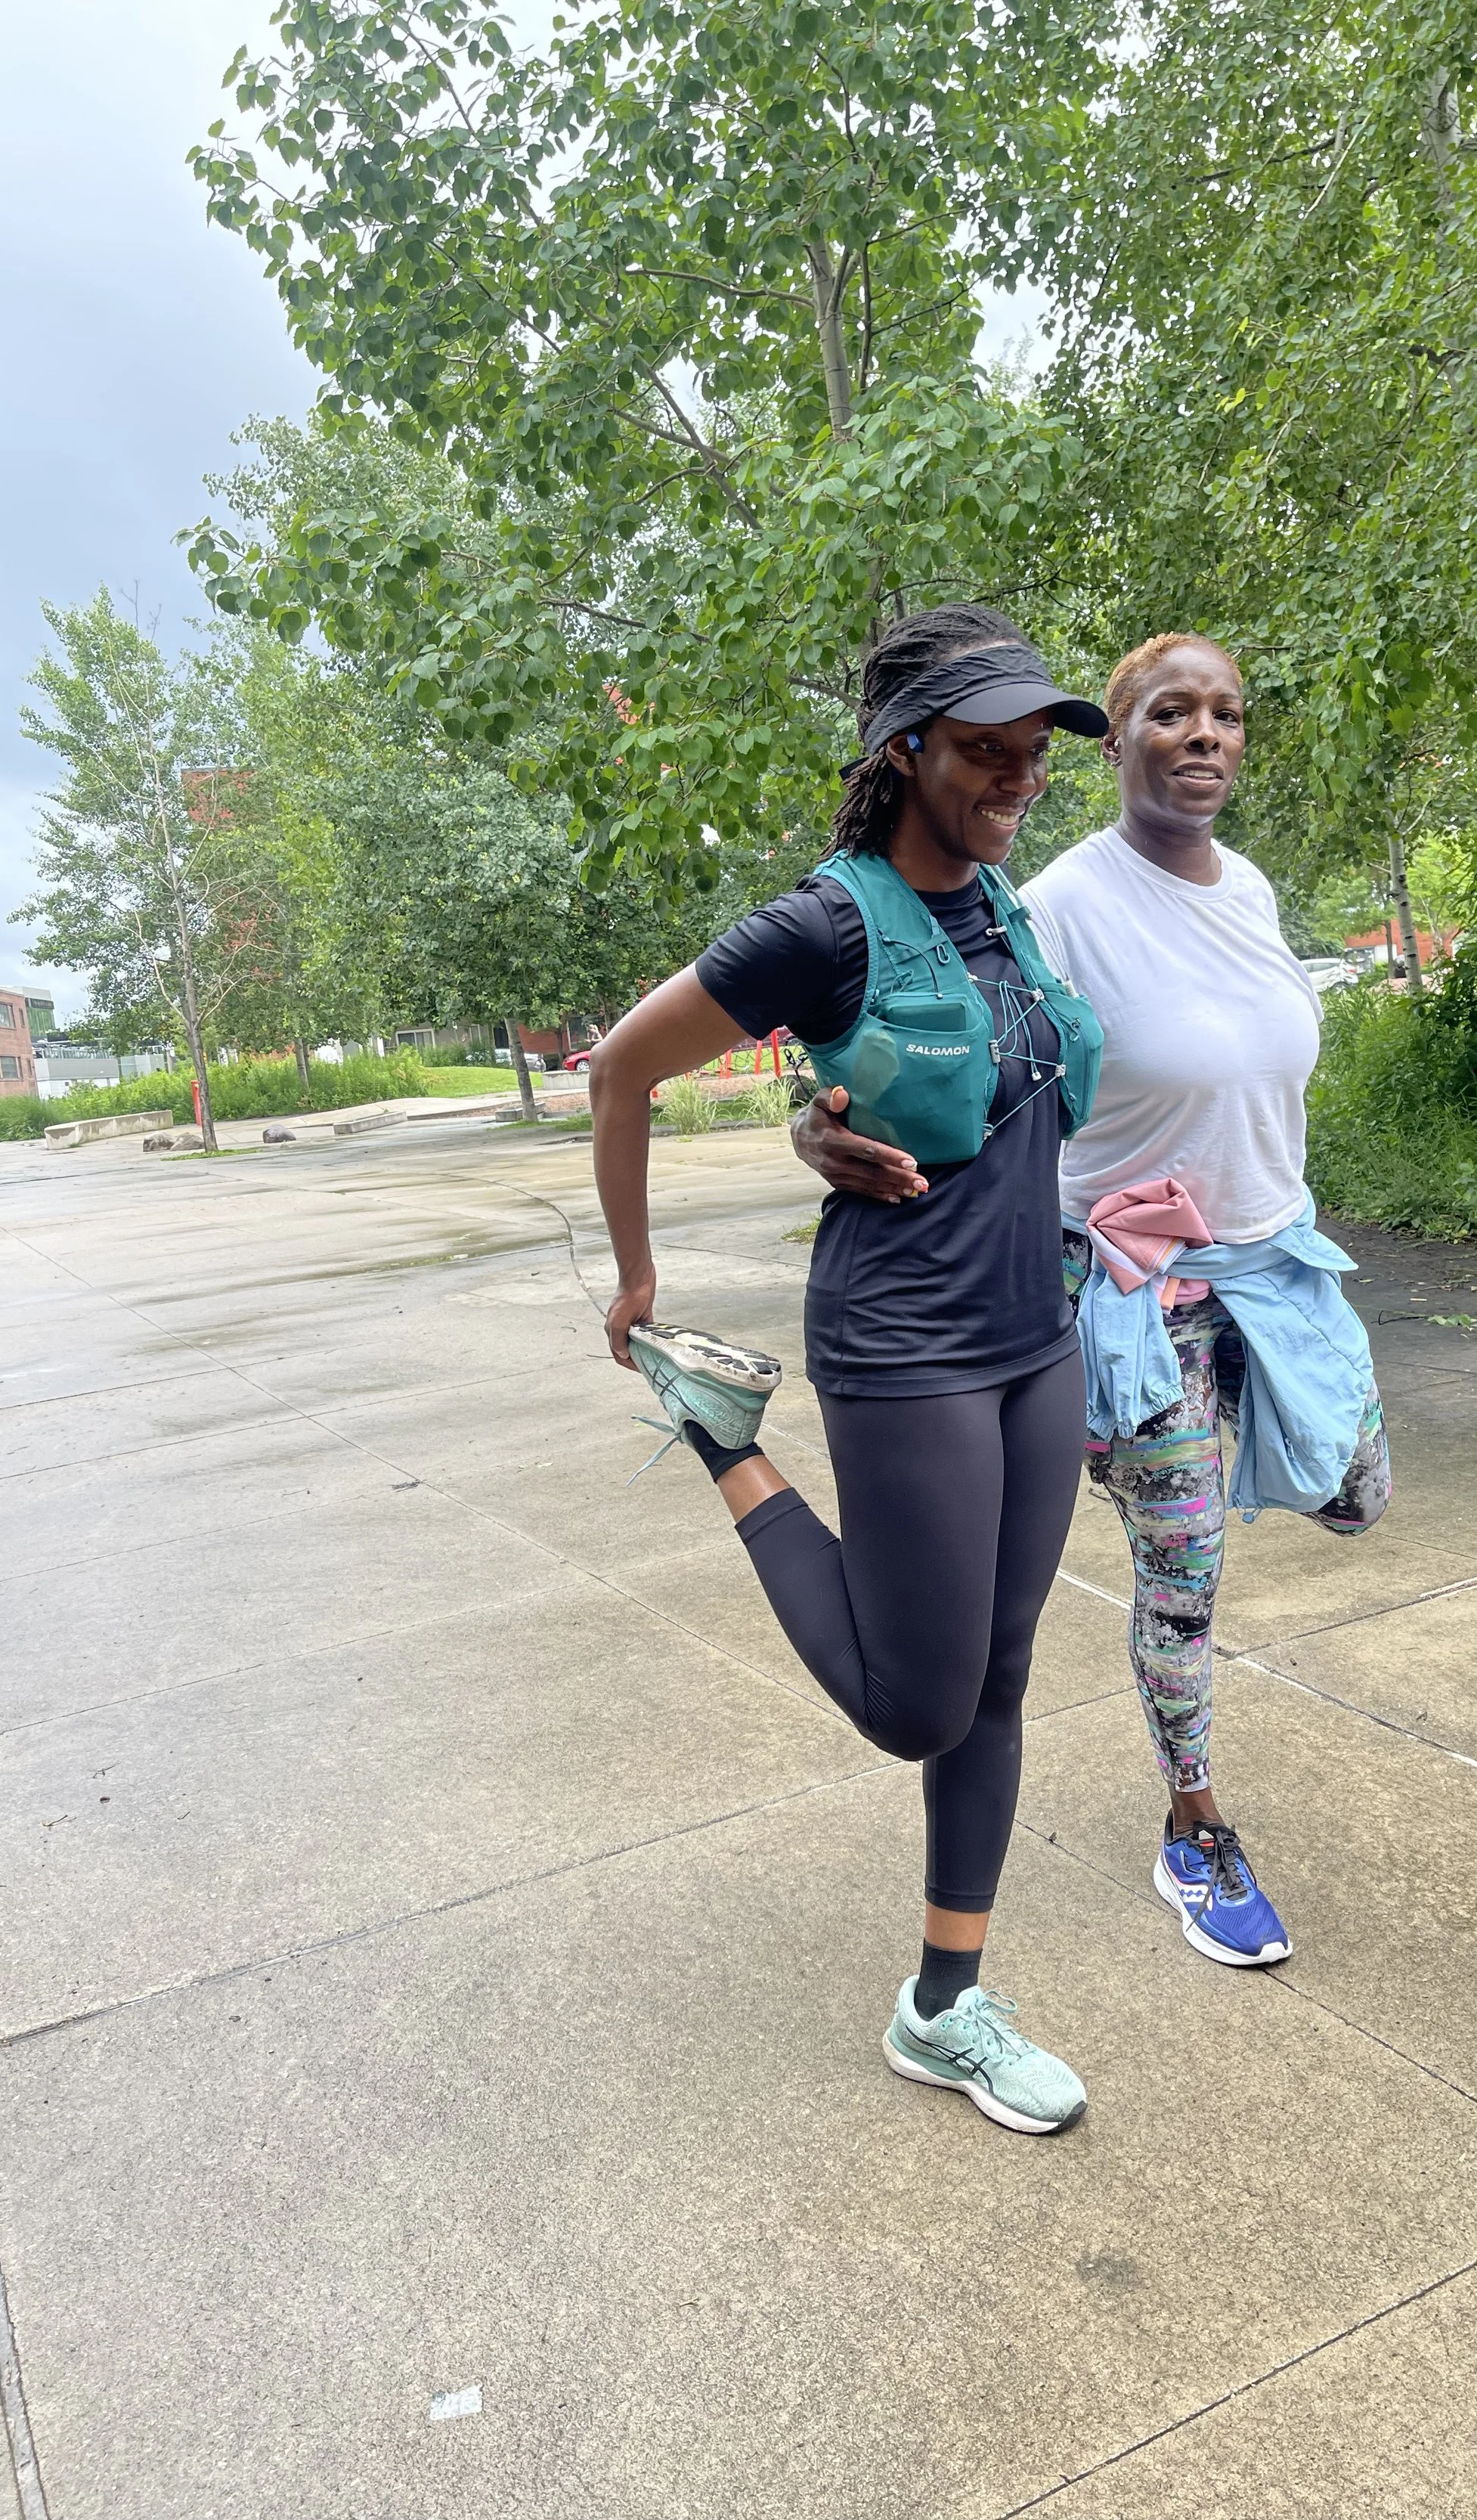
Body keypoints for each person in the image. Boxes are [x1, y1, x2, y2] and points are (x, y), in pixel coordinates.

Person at [793, 633, 1390, 1972]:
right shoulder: (1054, 898)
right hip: (1131, 1287)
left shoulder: (1252, 891)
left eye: (1228, 715)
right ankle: (1196, 1826)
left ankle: (1136, 1464)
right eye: (1171, 713)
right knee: (1186, 1567)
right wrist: (814, 1125)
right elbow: (905, 1024)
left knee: (1355, 1492)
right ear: (1114, 742)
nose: (1205, 736)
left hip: (1277, 1263)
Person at [588, 603, 1109, 2136]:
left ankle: (944, 2007)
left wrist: (819, 1109)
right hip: (905, 1344)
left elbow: (951, 1084)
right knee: (911, 1704)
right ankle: (717, 1431)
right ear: (900, 752)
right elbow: (622, 1067)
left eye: (1029, 747)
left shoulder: (1005, 910)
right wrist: (635, 1277)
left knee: (1000, 1677)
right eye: (982, 746)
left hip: (1033, 1337)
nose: (1016, 770)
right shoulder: (821, 920)